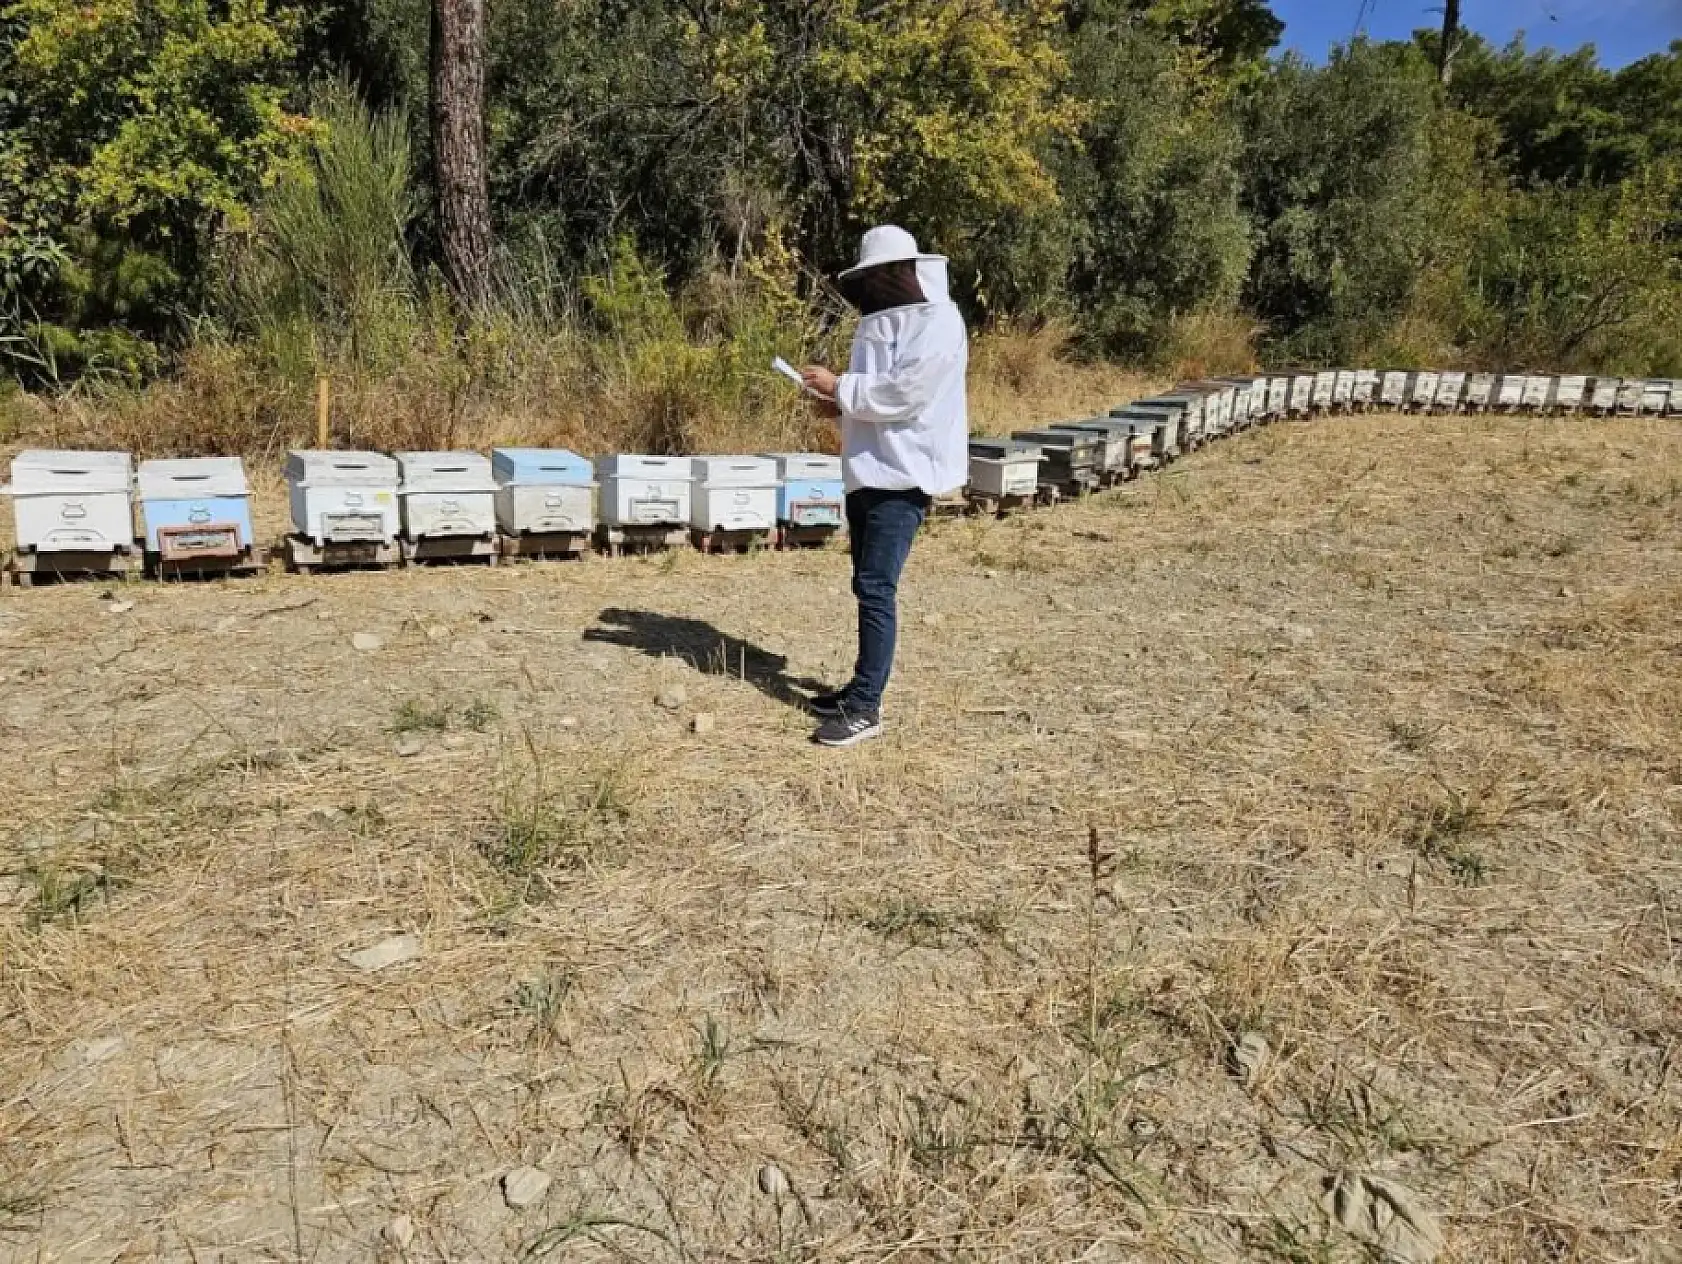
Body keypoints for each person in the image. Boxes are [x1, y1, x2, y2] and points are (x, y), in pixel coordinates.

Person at [799, 225, 969, 748]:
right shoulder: (882, 322)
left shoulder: (940, 321)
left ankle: (867, 707)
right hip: (868, 473)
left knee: (877, 589)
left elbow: (906, 394)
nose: (877, 285)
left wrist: (840, 387)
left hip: (903, 477)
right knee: (865, 585)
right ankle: (858, 689)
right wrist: (836, 406)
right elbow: (875, 401)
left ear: (907, 271)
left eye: (883, 274)